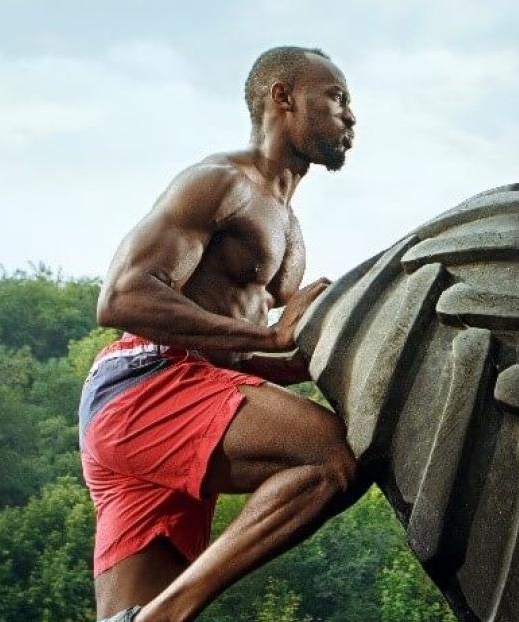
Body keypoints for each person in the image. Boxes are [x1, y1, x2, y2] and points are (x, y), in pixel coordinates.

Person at [80, 45, 361, 622]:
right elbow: (122, 297)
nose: (351, 116)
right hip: (145, 381)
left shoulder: (292, 232)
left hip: (181, 394)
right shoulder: (220, 183)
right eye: (335, 97)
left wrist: (295, 357)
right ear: (282, 97)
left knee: (124, 616)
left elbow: (243, 351)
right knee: (333, 456)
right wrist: (270, 339)